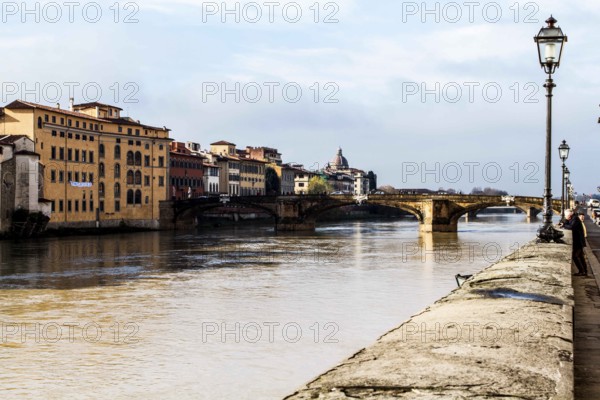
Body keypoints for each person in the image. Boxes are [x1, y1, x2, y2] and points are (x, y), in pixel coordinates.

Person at [562, 209, 588, 276]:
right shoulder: (573, 218)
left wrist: (564, 225)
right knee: (580, 256)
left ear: (569, 215)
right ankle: (584, 271)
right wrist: (566, 221)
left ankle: (582, 271)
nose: (565, 216)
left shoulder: (575, 219)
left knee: (575, 256)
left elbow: (571, 227)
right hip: (578, 241)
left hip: (578, 241)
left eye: (566, 215)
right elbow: (569, 224)